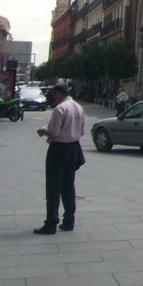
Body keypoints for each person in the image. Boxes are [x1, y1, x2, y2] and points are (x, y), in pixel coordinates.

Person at [34, 83, 86, 234]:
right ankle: (69, 220)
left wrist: (43, 131)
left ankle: (51, 223)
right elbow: (82, 131)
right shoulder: (78, 107)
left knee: (53, 187)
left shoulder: (60, 109)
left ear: (58, 93)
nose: (54, 98)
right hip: (74, 148)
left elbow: (54, 133)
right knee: (69, 185)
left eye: (54, 95)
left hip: (59, 149)